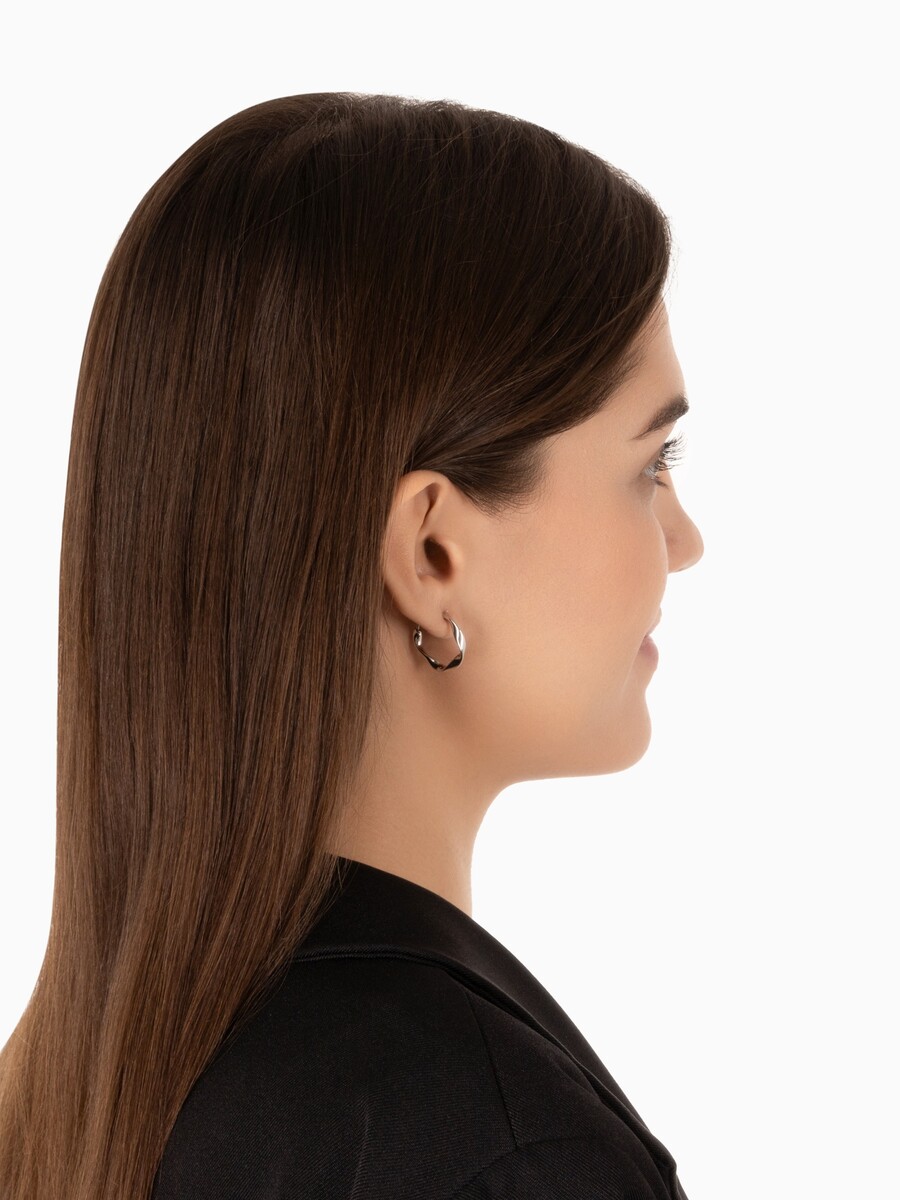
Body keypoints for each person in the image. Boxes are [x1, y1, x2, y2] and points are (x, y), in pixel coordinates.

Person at [0, 92, 703, 1199]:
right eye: (649, 466)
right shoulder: (498, 1149)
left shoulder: (66, 1094)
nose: (686, 541)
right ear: (430, 553)